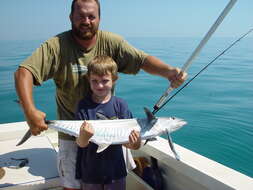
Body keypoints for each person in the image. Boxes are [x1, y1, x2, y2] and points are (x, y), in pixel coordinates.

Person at [14, 0, 187, 189]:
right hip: (72, 134)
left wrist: (169, 72)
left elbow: (141, 60)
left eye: (91, 16)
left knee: (115, 180)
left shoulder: (112, 42)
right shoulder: (56, 46)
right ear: (71, 17)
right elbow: (24, 72)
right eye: (81, 16)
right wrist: (30, 111)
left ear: (99, 19)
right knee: (71, 185)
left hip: (112, 133)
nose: (86, 21)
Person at [75, 55, 141, 190]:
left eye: (105, 81)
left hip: (116, 172)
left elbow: (130, 145)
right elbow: (81, 143)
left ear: (114, 80)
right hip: (90, 173)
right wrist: (84, 136)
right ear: (88, 79)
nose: (99, 85)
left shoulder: (121, 105)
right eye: (94, 81)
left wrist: (136, 142)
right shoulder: (83, 105)